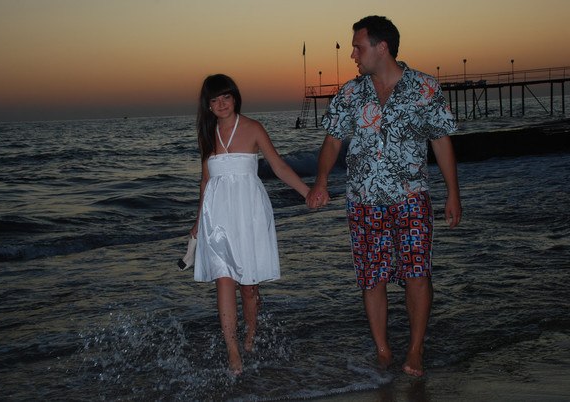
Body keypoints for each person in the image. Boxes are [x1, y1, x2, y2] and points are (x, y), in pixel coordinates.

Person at [306, 16, 462, 377]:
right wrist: (321, 181)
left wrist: (453, 193)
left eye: (357, 47)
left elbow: (441, 141)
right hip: (363, 201)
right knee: (371, 277)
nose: (353, 55)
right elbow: (332, 141)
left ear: (382, 48)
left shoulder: (424, 88)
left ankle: (415, 350)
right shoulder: (350, 93)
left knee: (417, 273)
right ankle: (382, 350)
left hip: (411, 197)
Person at [191, 74, 310, 375]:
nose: (221, 104)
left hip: (249, 214)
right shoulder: (207, 135)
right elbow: (205, 182)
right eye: (214, 100)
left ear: (235, 98)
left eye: (226, 97)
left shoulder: (253, 128)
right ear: (208, 105)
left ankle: (250, 334)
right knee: (224, 279)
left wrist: (307, 192)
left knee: (248, 286)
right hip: (217, 218)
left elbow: (278, 165)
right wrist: (197, 224)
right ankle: (233, 352)